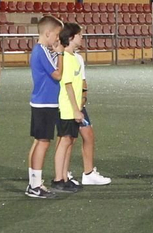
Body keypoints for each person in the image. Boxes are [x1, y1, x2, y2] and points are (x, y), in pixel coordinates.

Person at [56, 22, 112, 192]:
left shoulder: (77, 58)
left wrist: (83, 98)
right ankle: (62, 176)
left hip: (78, 105)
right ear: (71, 37)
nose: (82, 38)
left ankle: (87, 173)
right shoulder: (65, 58)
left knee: (85, 135)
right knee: (66, 139)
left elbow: (82, 81)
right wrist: (75, 108)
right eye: (80, 35)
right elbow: (67, 84)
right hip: (69, 106)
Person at [27, 15, 64, 199]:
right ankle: (35, 185)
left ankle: (33, 182)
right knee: (43, 142)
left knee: (39, 141)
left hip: (41, 102)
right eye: (56, 34)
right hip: (45, 103)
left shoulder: (41, 50)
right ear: (47, 33)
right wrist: (61, 54)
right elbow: (57, 75)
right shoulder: (41, 50)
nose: (57, 38)